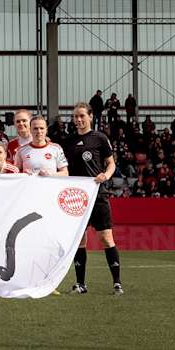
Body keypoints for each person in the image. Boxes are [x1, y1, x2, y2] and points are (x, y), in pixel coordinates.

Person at [63, 102, 122, 296]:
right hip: (76, 199)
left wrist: (106, 175)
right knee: (80, 240)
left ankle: (117, 283)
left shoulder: (100, 138)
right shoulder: (68, 142)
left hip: (98, 195)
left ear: (90, 116)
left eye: (82, 116)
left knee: (106, 238)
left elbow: (111, 164)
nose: (78, 120)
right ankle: (80, 284)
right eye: (75, 117)